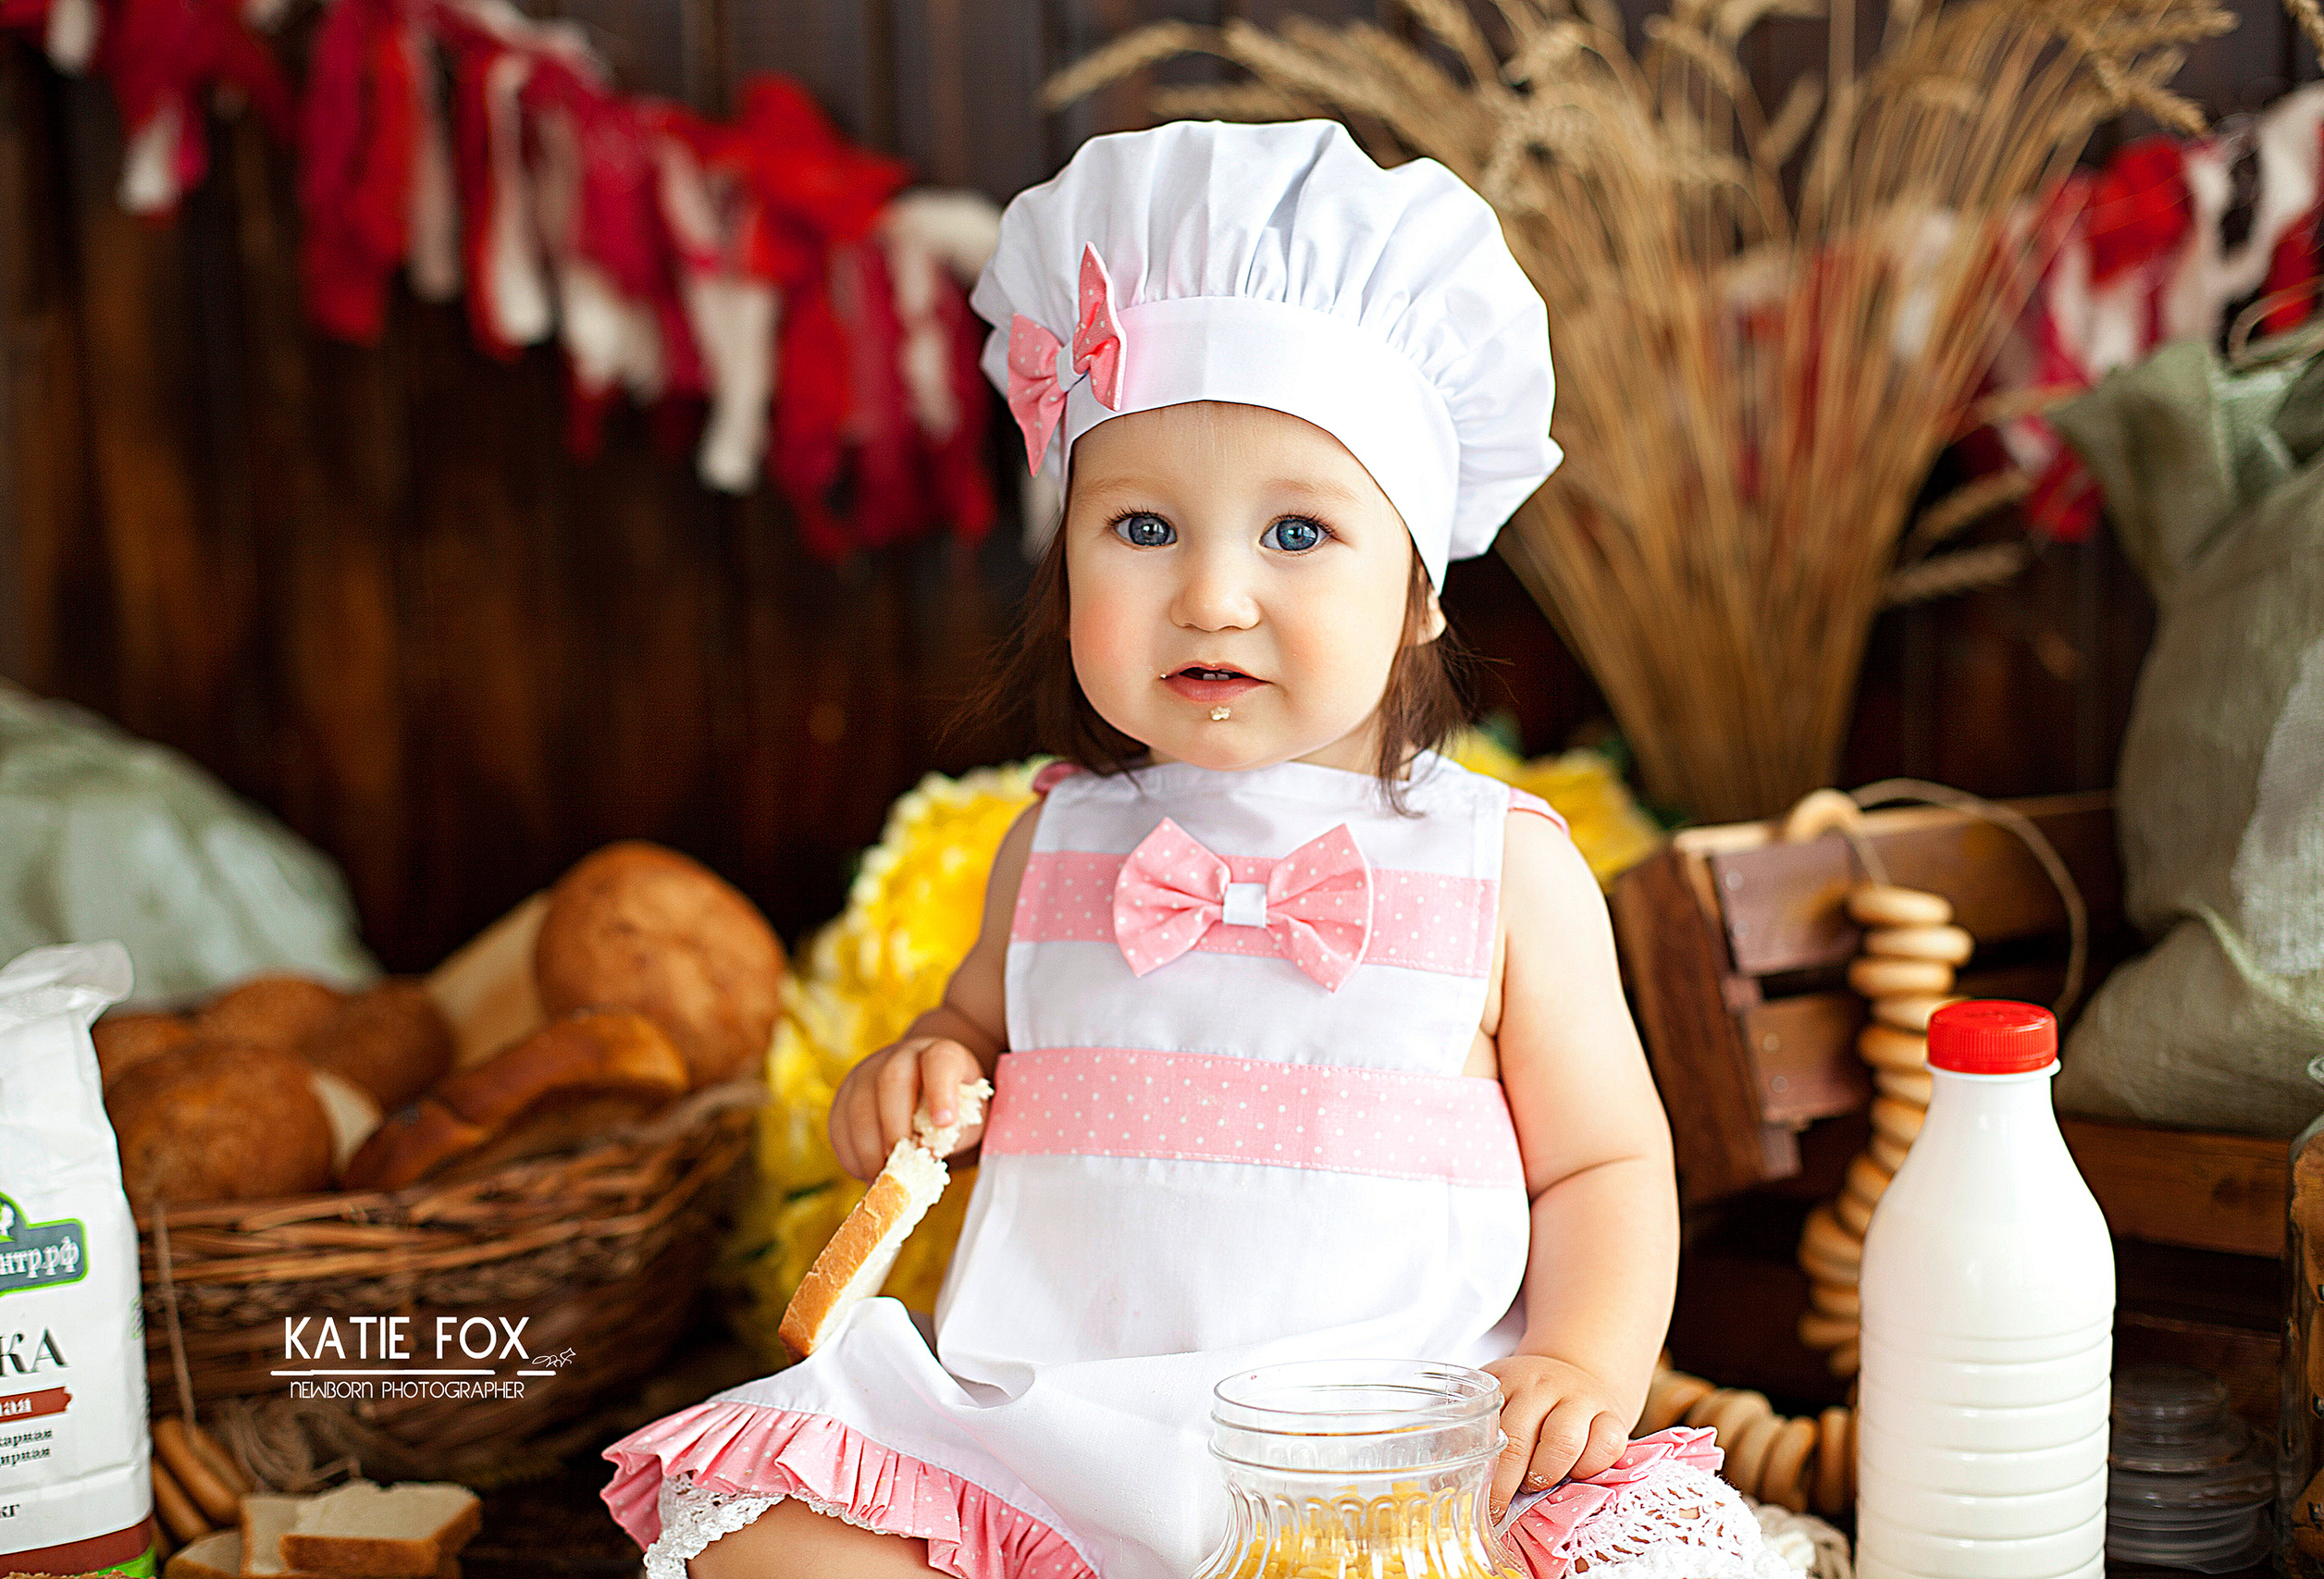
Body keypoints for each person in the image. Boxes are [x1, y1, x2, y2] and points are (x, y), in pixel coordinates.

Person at [602, 119, 1794, 1579]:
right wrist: (918, 1073)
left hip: (1395, 1462)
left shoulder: (1499, 868)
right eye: (1145, 526)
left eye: (1298, 533)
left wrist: (1584, 1361)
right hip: (1053, 1440)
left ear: (1419, 590)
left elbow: (1604, 1160)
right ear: (1067, 557)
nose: (1215, 596)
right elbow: (976, 1035)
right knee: (768, 1536)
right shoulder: (1049, 846)